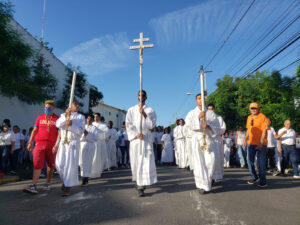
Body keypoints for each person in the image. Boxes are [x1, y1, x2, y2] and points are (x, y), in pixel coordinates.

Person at [185, 94, 220, 194]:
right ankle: (202, 185)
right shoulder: (191, 113)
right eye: (199, 98)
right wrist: (198, 118)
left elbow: (217, 128)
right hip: (197, 139)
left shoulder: (210, 113)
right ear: (196, 100)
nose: (201, 100)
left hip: (208, 139)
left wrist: (208, 127)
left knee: (211, 160)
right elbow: (188, 126)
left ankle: (209, 179)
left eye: (203, 98)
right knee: (199, 162)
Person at [23, 100, 60, 194]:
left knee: (50, 166)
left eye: (49, 108)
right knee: (37, 164)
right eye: (46, 107)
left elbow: (60, 133)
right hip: (39, 144)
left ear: (53, 108)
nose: (47, 109)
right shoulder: (40, 117)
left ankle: (47, 182)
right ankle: (33, 185)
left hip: (52, 145)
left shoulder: (57, 119)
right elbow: (35, 130)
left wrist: (56, 144)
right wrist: (30, 142)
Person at [126, 90, 157, 197]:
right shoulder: (131, 110)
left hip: (146, 139)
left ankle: (141, 185)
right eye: (139, 95)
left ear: (146, 97)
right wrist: (135, 134)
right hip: (136, 140)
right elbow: (128, 124)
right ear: (137, 96)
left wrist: (143, 114)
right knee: (136, 162)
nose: (141, 97)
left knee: (145, 162)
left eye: (143, 95)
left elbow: (151, 125)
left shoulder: (150, 110)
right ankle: (138, 181)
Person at [55, 100, 85, 196]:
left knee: (70, 165)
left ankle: (67, 186)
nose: (78, 106)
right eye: (75, 104)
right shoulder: (63, 114)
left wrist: (71, 125)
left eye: (78, 105)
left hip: (73, 143)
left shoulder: (81, 117)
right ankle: (65, 180)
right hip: (63, 142)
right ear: (70, 106)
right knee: (59, 164)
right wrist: (65, 116)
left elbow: (80, 131)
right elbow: (58, 124)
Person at [243, 102, 269, 187]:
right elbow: (248, 129)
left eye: (255, 108)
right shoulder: (249, 117)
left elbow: (264, 130)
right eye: (252, 108)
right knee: (249, 161)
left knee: (261, 163)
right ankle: (254, 177)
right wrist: (245, 139)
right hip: (251, 143)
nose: (253, 110)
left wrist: (261, 142)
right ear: (250, 109)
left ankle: (263, 181)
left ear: (258, 109)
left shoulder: (263, 117)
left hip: (261, 144)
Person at [79, 115, 101, 186]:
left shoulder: (94, 128)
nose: (88, 120)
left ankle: (85, 178)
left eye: (90, 119)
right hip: (82, 145)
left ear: (92, 120)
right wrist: (84, 135)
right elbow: (79, 137)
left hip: (90, 146)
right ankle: (83, 176)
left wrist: (87, 135)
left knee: (88, 162)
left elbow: (95, 138)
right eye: (88, 118)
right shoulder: (83, 127)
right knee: (81, 162)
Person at [207, 103, 226, 181]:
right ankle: (209, 176)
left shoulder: (219, 118)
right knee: (209, 159)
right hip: (209, 141)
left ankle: (217, 176)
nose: (210, 111)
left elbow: (223, 129)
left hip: (217, 140)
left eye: (211, 109)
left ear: (214, 109)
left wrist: (215, 132)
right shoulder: (206, 119)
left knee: (217, 159)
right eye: (208, 109)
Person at [91, 113, 108, 178]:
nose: (95, 118)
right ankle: (92, 171)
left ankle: (99, 171)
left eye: (97, 117)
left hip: (100, 143)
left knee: (100, 157)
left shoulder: (103, 125)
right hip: (93, 143)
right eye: (94, 117)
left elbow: (105, 134)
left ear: (99, 117)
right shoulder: (92, 124)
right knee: (93, 157)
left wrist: (98, 134)